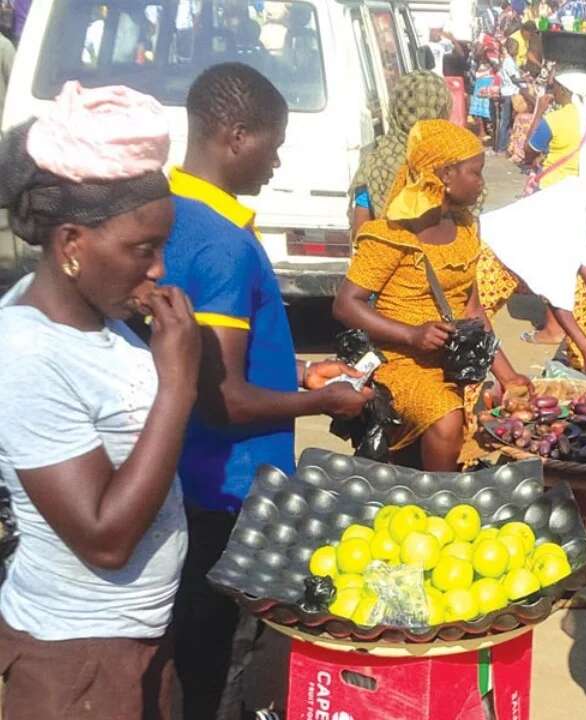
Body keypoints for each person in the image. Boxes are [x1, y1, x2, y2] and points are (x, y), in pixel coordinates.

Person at [162, 63, 371, 720]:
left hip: (179, 485)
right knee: (218, 667)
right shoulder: (223, 244)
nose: (277, 159)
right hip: (227, 491)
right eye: (272, 143)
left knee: (183, 651)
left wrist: (298, 371)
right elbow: (221, 398)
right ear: (234, 134)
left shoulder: (168, 213)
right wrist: (321, 402)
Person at [0, 82, 198, 720]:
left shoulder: (101, 321)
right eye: (142, 250)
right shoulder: (26, 353)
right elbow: (104, 538)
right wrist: (179, 385)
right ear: (71, 245)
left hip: (136, 637)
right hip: (77, 660)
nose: (159, 271)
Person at [333, 120, 530, 471]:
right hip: (398, 363)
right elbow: (346, 304)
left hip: (450, 364)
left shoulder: (467, 228)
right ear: (446, 175)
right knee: (447, 419)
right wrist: (411, 333)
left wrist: (508, 375)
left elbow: (473, 309)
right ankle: (440, 508)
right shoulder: (391, 235)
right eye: (476, 173)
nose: (482, 182)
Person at [477, 152, 586, 374]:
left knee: (584, 293)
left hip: (523, 263)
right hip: (493, 258)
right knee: (471, 332)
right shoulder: (567, 211)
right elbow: (556, 298)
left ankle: (584, 373)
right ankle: (460, 401)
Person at [351, 71, 454, 227]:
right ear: (442, 108)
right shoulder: (454, 160)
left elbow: (361, 227)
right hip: (443, 250)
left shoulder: (376, 161)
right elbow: (470, 225)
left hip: (384, 250)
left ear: (396, 108)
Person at [525, 70, 586, 192]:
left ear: (563, 90)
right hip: (580, 187)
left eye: (553, 87)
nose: (552, 92)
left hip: (551, 187)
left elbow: (529, 151)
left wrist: (539, 112)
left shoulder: (553, 119)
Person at [496, 38, 525, 153]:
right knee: (506, 121)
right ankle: (502, 146)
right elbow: (514, 79)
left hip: (509, 92)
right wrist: (525, 79)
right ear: (508, 49)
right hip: (509, 94)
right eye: (514, 48)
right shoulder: (508, 61)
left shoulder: (510, 61)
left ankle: (505, 145)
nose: (516, 50)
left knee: (508, 121)